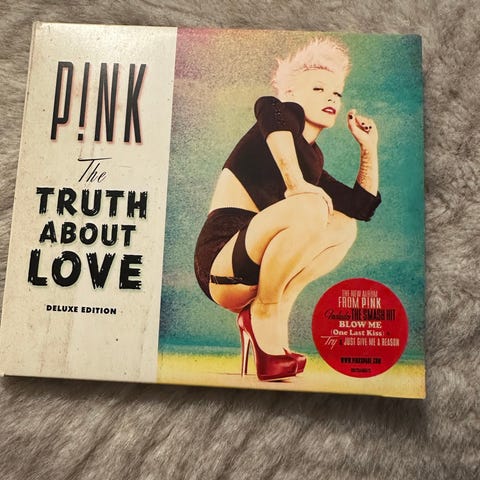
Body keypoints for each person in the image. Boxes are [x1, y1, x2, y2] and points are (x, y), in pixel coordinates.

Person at [194, 37, 381, 381]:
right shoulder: (278, 113)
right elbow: (270, 110)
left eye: (336, 93)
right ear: (292, 93)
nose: (331, 98)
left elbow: (361, 207)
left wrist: (368, 148)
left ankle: (274, 321)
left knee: (343, 226)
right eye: (319, 88)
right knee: (311, 205)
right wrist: (296, 185)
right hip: (221, 260)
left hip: (255, 263)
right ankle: (262, 316)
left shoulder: (312, 161)